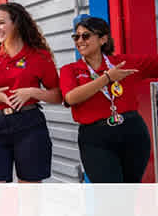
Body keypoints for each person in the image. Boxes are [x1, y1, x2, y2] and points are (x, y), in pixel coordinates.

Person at [0, 2, 62, 183]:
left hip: (29, 125)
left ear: (17, 24)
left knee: (30, 193)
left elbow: (58, 95)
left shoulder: (39, 56)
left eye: (2, 23)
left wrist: (33, 92)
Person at [60, 17, 158, 183]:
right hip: (95, 138)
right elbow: (71, 97)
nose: (80, 41)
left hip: (133, 132)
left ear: (103, 39)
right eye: (76, 37)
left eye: (86, 36)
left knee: (130, 192)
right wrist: (107, 78)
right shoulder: (70, 70)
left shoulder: (122, 63)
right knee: (109, 195)